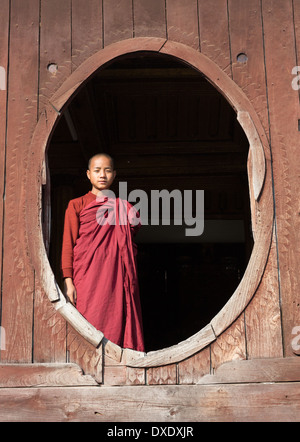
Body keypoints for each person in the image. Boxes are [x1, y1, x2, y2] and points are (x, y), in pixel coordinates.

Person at [61, 153, 144, 352]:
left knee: (115, 323)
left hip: (115, 279)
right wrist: (68, 281)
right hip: (86, 278)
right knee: (85, 323)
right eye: (97, 170)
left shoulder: (124, 208)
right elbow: (68, 244)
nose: (102, 175)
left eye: (107, 170)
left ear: (114, 175)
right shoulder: (76, 205)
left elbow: (128, 239)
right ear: (88, 174)